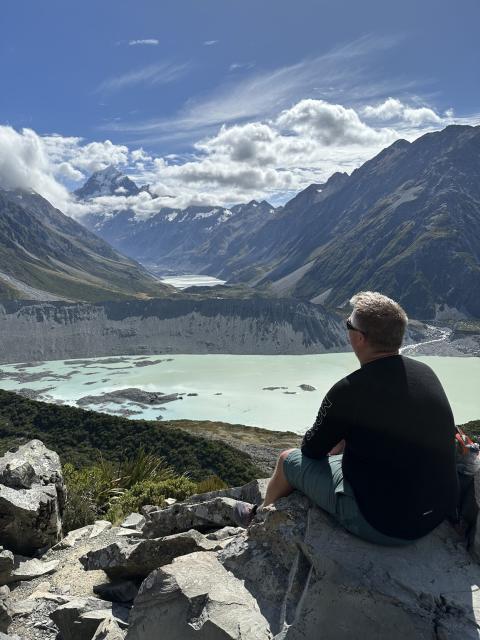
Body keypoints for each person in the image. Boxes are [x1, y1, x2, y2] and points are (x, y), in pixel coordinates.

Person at [234, 291, 459, 545]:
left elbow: (310, 450)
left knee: (287, 459)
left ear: (360, 338)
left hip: (384, 526)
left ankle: (259, 518)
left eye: (348, 325)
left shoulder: (349, 390)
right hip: (434, 516)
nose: (347, 330)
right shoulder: (426, 373)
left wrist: (339, 436)